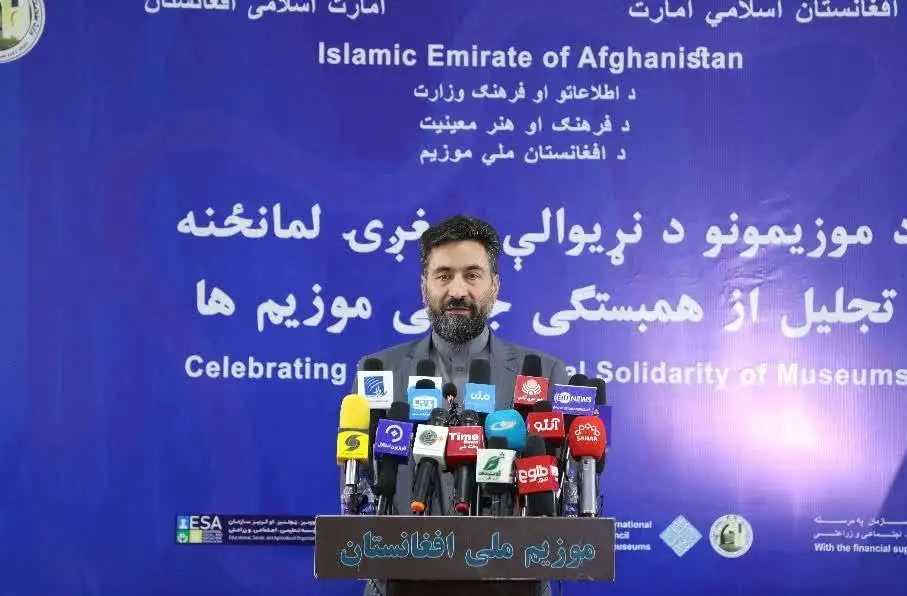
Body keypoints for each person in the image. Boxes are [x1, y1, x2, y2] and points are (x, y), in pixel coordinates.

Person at [353, 215, 568, 596]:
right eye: (443, 275)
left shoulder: (544, 373)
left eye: (472, 275)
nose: (457, 290)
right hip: (402, 581)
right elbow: (361, 489)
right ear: (424, 287)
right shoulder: (379, 371)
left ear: (494, 286)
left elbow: (563, 494)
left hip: (511, 581)